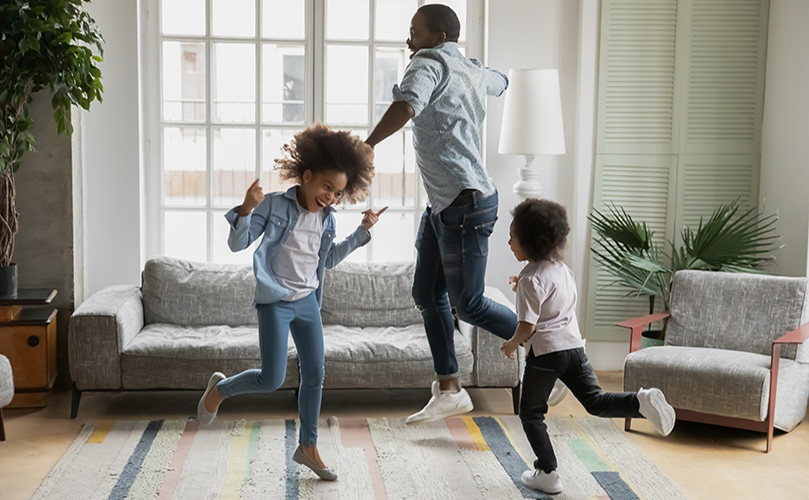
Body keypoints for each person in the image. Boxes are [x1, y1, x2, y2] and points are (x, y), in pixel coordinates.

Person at [365, 3, 529, 425]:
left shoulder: (428, 61)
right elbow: (501, 81)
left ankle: (549, 340)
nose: (409, 40)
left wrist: (368, 145)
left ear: (438, 38)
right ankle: (451, 389)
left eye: (415, 32)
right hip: (447, 203)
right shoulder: (469, 67)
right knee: (426, 293)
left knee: (469, 304)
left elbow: (407, 105)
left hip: (464, 204)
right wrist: (502, 77)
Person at [197, 124, 385, 481]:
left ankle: (308, 446)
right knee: (271, 379)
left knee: (315, 374)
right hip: (276, 302)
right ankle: (220, 390)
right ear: (308, 176)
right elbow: (239, 245)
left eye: (338, 193)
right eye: (326, 187)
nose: (330, 197)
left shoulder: (327, 220)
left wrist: (363, 233)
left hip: (308, 303)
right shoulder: (274, 205)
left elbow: (327, 260)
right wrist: (247, 210)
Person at [500, 198, 675, 495]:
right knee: (595, 401)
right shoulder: (560, 269)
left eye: (512, 237)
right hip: (574, 349)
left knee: (530, 413)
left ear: (529, 243)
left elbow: (528, 327)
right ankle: (640, 402)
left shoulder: (531, 280)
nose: (508, 242)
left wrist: (511, 344)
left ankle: (548, 472)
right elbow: (549, 292)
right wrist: (524, 279)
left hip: (545, 355)